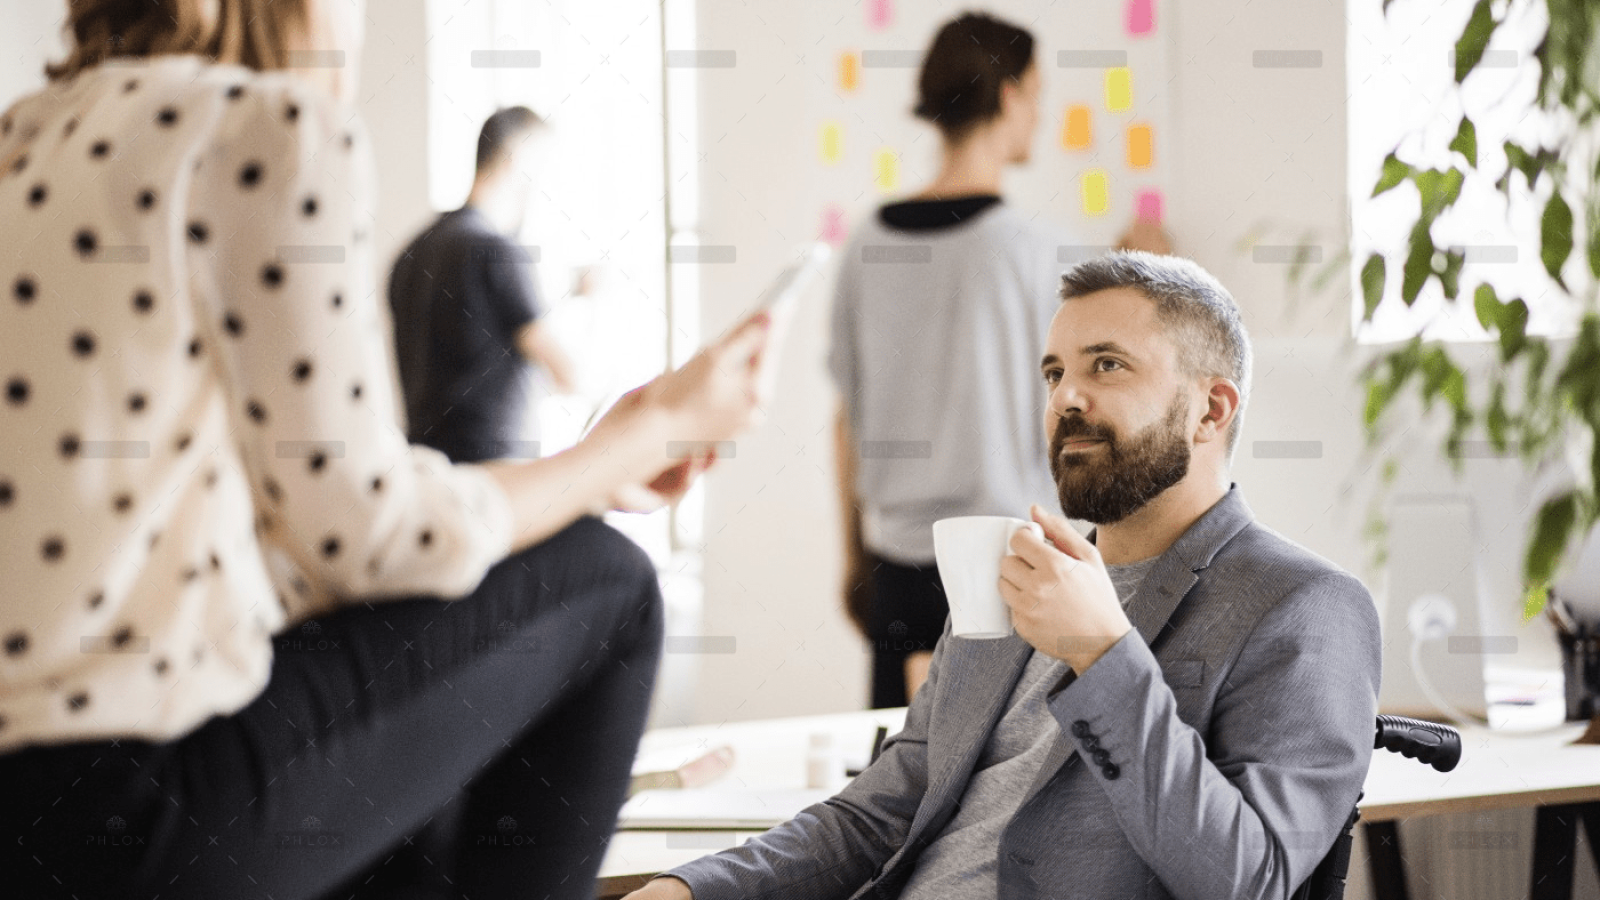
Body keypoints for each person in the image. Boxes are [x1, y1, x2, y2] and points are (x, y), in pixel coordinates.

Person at [0, 2, 768, 898]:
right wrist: (638, 436)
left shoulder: (23, 139)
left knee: (417, 750)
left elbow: (276, 538)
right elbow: (365, 533)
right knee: (611, 581)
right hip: (146, 814)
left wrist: (587, 468)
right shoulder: (267, 125)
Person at [630, 251, 1382, 900]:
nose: (1065, 399)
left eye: (1107, 366)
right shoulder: (1010, 578)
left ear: (1210, 411)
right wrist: (693, 886)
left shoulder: (1305, 609)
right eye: (1054, 372)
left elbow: (1250, 879)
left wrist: (1105, 657)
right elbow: (881, 812)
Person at [832, 12, 1171, 709]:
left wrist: (852, 561)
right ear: (1011, 95)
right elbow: (1121, 359)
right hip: (1005, 571)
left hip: (893, 570)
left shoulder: (866, 243)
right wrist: (1149, 269)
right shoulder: (1030, 251)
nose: (1039, 116)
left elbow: (847, 421)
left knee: (893, 802)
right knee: (997, 800)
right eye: (1038, 93)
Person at [389, 106, 578, 464]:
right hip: (495, 481)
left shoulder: (412, 254)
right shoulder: (497, 253)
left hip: (426, 473)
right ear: (518, 158)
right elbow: (569, 374)